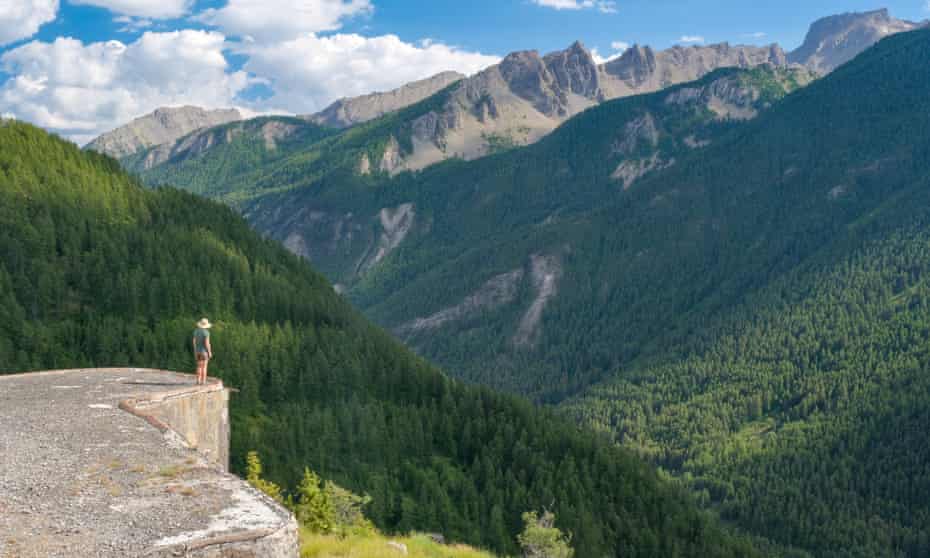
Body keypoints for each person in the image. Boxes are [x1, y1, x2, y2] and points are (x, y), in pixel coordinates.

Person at [192, 318, 213, 385]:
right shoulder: (206, 332)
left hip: (197, 351)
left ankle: (198, 380)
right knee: (204, 367)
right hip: (204, 352)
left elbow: (194, 342)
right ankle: (203, 381)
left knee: (198, 366)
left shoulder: (196, 331)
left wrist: (195, 351)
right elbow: (207, 343)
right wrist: (209, 352)